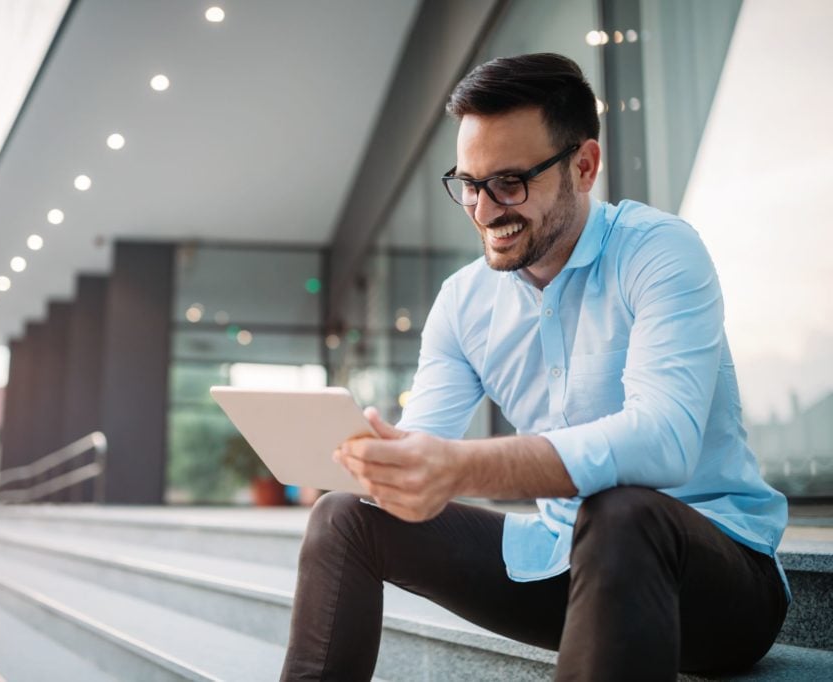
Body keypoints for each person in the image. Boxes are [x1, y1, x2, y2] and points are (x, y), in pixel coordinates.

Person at [280, 53, 789, 681]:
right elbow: (426, 450)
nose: (485, 210)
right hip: (562, 563)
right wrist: (376, 464)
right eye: (469, 183)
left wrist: (460, 466)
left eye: (511, 182)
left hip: (718, 582)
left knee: (621, 508)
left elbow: (664, 441)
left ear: (584, 165)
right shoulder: (464, 303)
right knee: (343, 517)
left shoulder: (659, 251)